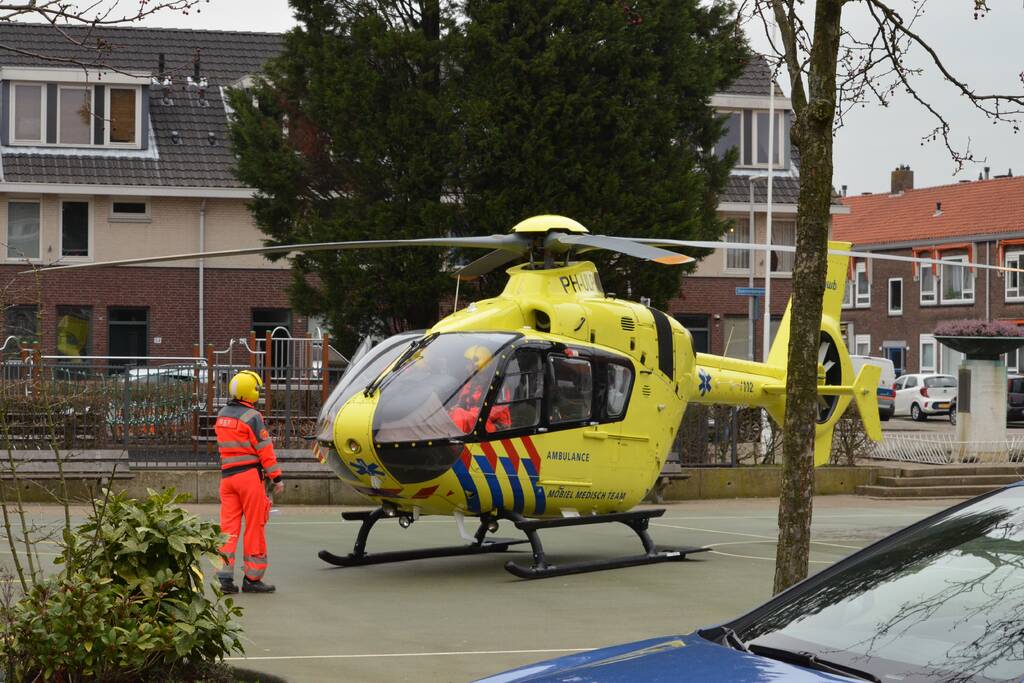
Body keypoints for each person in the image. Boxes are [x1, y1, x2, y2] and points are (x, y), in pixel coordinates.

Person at [215, 370, 283, 594]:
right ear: (250, 392)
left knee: (228, 529)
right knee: (255, 526)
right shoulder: (252, 417)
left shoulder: (222, 415)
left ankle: (224, 580)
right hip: (249, 479)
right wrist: (276, 477)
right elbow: (265, 450)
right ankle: (252, 579)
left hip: (227, 479)